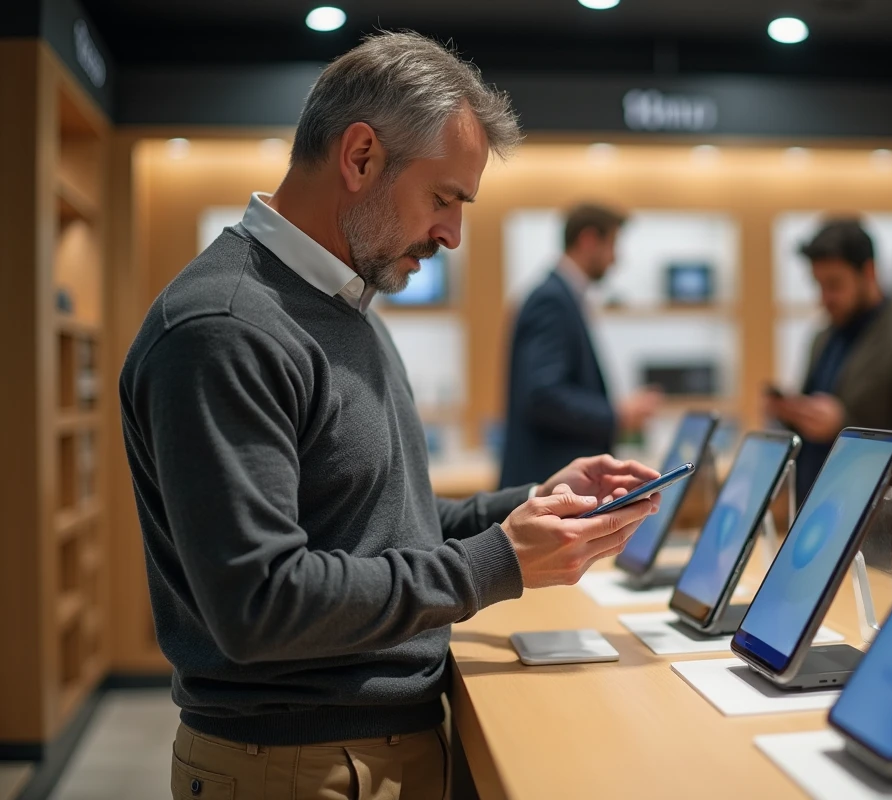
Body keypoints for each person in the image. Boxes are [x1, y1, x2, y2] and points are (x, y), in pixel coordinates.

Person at [119, 32, 661, 800]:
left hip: (367, 748)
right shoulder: (226, 326)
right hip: (301, 766)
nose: (452, 234)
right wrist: (498, 562)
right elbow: (262, 604)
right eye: (444, 199)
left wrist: (532, 507)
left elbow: (383, 524)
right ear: (361, 156)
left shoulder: (350, 308)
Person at [765, 218, 892, 551]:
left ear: (868, 272)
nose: (824, 298)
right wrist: (790, 414)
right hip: (815, 525)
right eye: (818, 285)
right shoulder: (823, 337)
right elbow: (822, 424)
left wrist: (874, 508)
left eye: (835, 284)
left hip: (877, 541)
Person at [499, 203, 663, 488]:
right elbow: (543, 395)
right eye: (612, 245)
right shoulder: (552, 300)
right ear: (588, 240)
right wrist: (618, 414)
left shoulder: (562, 296)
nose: (616, 259)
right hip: (548, 482)